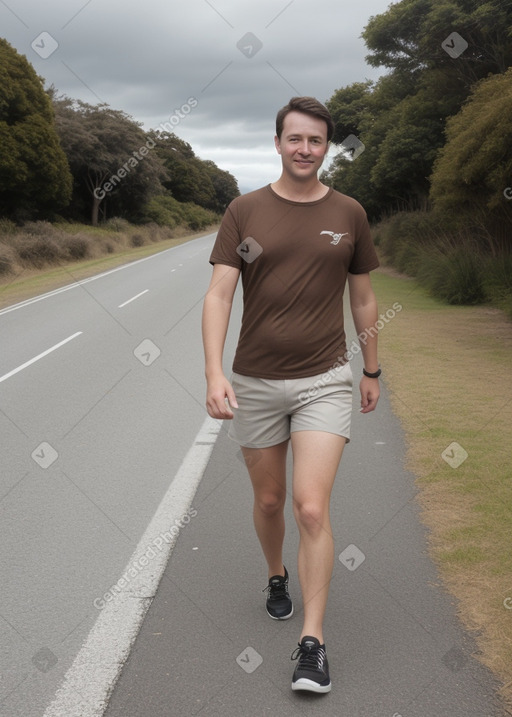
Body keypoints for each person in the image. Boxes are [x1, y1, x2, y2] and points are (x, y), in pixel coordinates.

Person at [201, 96, 380, 694]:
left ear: (326, 148)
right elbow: (220, 295)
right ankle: (276, 575)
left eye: (316, 141)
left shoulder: (349, 212)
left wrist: (371, 369)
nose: (306, 149)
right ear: (277, 143)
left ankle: (313, 643)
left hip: (324, 379)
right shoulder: (245, 211)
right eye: (295, 139)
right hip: (253, 380)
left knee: (309, 506)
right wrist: (214, 373)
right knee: (272, 500)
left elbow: (362, 298)